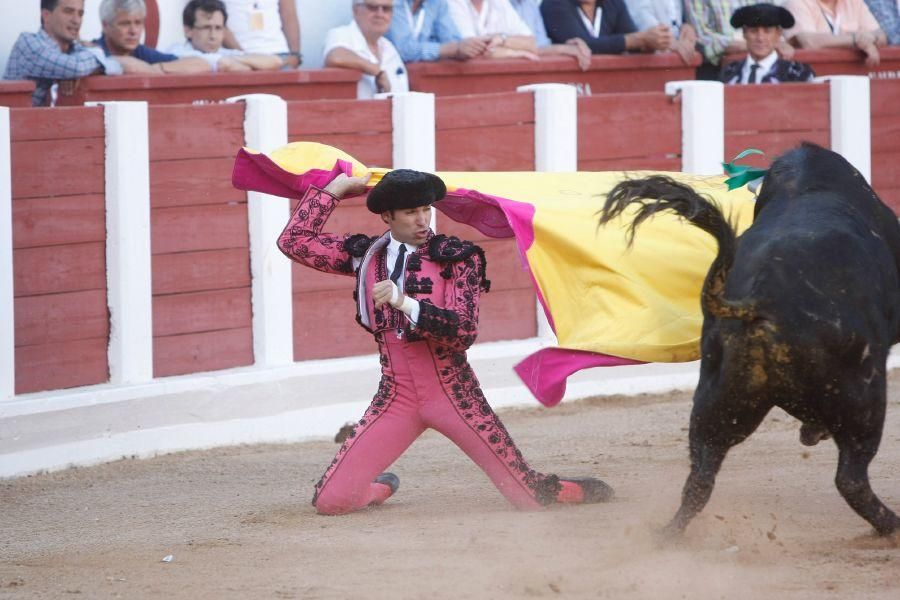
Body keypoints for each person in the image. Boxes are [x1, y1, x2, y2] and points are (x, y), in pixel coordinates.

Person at [271, 167, 615, 515]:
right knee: (331, 502)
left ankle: (574, 490)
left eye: (426, 209)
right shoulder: (366, 255)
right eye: (411, 212)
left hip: (454, 394)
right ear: (388, 216)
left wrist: (403, 301)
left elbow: (463, 332)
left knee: (528, 498)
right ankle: (379, 486)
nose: (422, 220)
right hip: (396, 396)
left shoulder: (457, 257)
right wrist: (334, 190)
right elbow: (293, 242)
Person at [3, 0, 124, 106]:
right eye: (68, 11)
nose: (76, 20)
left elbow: (114, 66)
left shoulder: (73, 49)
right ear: (46, 16)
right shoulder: (28, 43)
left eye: (80, 14)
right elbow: (77, 67)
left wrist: (85, 70)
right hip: (9, 129)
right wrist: (94, 61)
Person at [685, 0, 794, 79]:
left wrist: (777, 41)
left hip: (769, 65)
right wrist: (749, 44)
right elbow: (701, 36)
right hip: (717, 70)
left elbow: (773, 21)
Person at [95, 0, 211, 74]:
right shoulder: (92, 51)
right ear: (106, 26)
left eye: (138, 23)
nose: (133, 31)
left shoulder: (140, 51)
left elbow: (202, 64)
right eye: (125, 23)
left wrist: (155, 69)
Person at [324, 0, 409, 98]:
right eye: (372, 7)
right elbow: (335, 56)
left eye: (386, 9)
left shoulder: (389, 47)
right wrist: (376, 70)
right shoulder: (341, 35)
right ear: (355, 10)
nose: (380, 14)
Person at [168, 0, 283, 71]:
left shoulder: (225, 53)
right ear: (188, 31)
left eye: (218, 28)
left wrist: (236, 61)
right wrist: (251, 65)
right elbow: (224, 64)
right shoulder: (176, 52)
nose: (213, 35)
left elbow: (276, 61)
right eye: (206, 28)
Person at [720, 4, 815, 83]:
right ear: (744, 33)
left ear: (778, 33)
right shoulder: (729, 73)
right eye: (753, 31)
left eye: (767, 31)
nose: (760, 38)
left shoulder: (797, 74)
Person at [540, 0, 673, 55]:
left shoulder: (613, 3)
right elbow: (582, 45)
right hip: (570, 89)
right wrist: (638, 40)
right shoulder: (554, 4)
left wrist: (652, 42)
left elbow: (632, 37)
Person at [784, 0, 887, 67]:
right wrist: (855, 39)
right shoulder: (797, 2)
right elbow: (809, 42)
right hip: (814, 76)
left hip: (853, 74)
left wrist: (869, 40)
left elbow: (881, 35)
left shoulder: (854, 2)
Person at [386, 0, 495, 62]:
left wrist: (474, 47)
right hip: (384, 75)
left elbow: (453, 40)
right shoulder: (391, 3)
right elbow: (402, 50)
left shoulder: (436, 3)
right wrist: (451, 49)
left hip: (419, 80)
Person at [510, 0, 593, 70]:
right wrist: (562, 49)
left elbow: (541, 44)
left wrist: (570, 47)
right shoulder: (498, 4)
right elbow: (503, 47)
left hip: (532, 71)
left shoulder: (530, 4)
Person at [446, 0, 541, 59]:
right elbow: (472, 50)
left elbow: (531, 44)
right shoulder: (453, 2)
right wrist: (514, 52)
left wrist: (502, 39)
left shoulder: (500, 2)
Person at [221, 0, 302, 67]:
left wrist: (295, 55)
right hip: (237, 59)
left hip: (279, 55)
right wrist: (243, 56)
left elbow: (289, 15)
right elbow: (217, 21)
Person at [624, 0, 699, 63]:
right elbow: (643, 23)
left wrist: (687, 27)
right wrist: (671, 42)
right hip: (647, 62)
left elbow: (676, 18)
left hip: (680, 59)